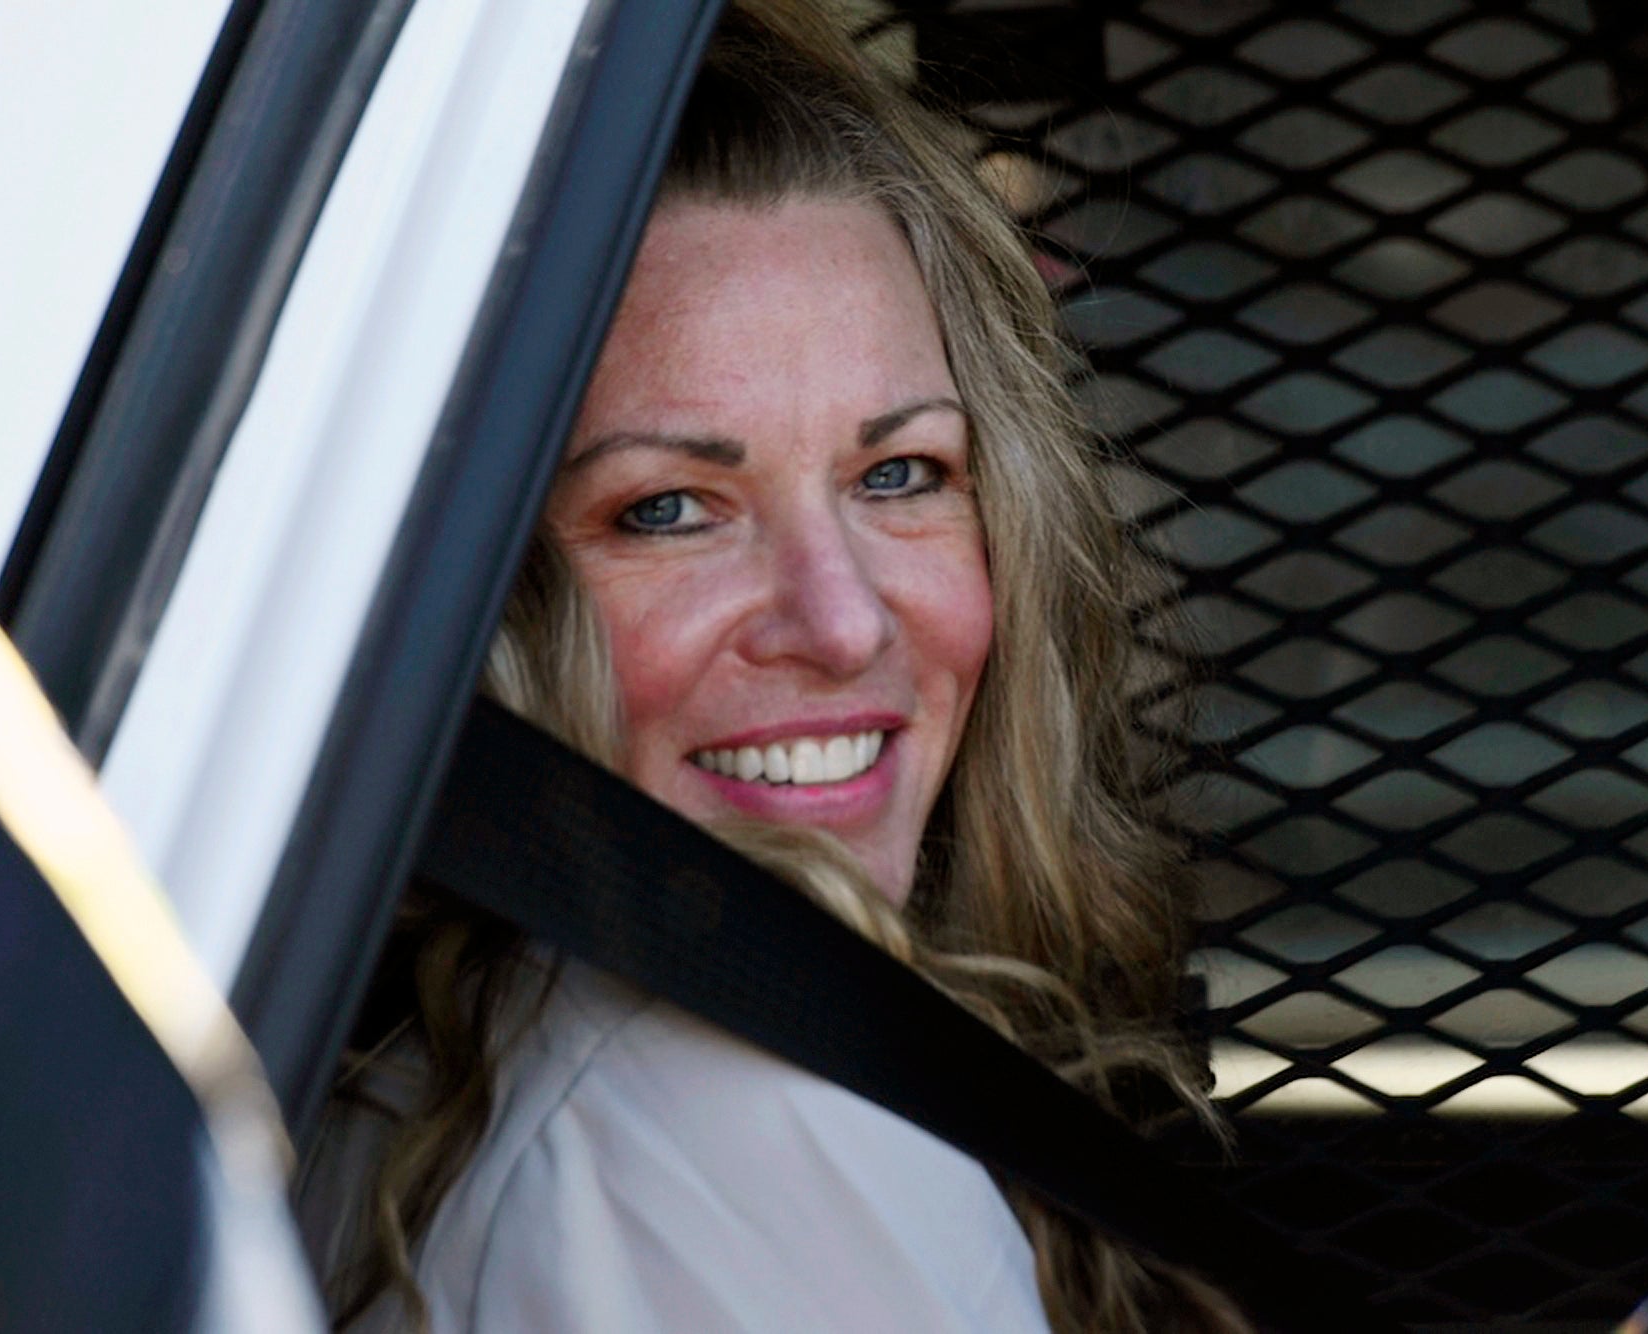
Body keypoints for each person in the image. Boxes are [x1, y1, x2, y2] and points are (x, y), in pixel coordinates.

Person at [297, 3, 1246, 1330]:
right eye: (670, 508)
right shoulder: (735, 1127)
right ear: (475, 591)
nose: (841, 622)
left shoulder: (430, 1070)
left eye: (900, 474)